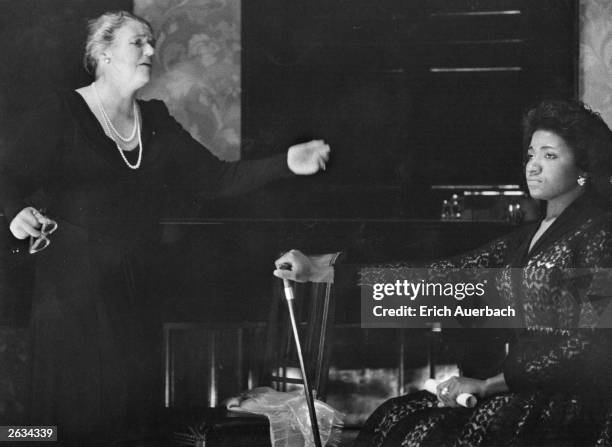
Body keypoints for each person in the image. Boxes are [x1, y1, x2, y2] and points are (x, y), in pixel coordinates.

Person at [0, 10, 330, 446]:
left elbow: (216, 179)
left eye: (152, 42)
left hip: (135, 293)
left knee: (131, 420)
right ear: (102, 52)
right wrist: (14, 214)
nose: (152, 51)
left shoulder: (155, 120)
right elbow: (5, 174)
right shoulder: (62, 112)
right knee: (66, 424)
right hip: (71, 297)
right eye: (138, 42)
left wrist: (287, 162)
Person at [275, 99, 612, 446]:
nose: (533, 166)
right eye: (531, 154)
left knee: (430, 436)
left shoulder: (597, 234)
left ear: (583, 166)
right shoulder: (526, 238)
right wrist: (323, 268)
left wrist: (489, 384)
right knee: (396, 416)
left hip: (565, 403)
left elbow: (589, 348)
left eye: (550, 156)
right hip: (519, 388)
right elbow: (444, 278)